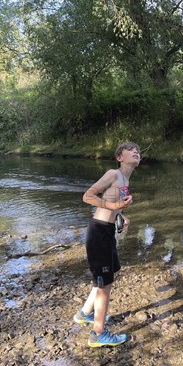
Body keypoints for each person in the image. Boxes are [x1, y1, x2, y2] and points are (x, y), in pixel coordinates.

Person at [73, 142, 141, 347]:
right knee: (105, 285)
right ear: (120, 157)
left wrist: (121, 215)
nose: (137, 152)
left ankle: (85, 313)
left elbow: (115, 204)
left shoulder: (125, 178)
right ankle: (98, 334)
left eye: (138, 150)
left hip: (107, 230)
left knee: (106, 277)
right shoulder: (113, 173)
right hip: (98, 232)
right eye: (131, 150)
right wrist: (113, 206)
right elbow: (88, 196)